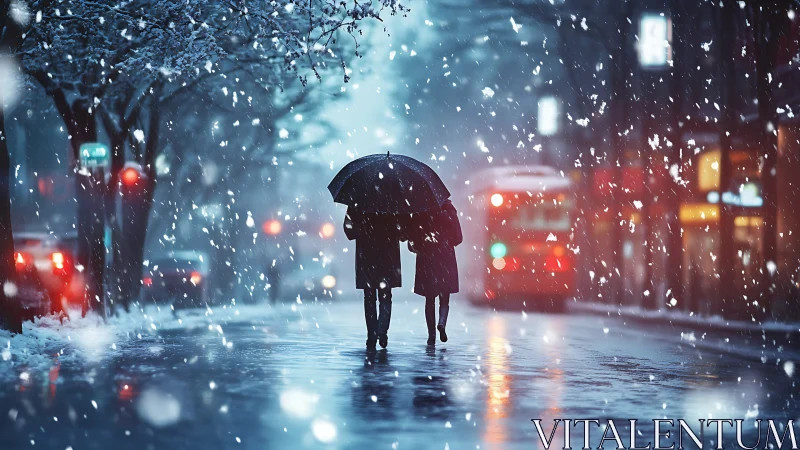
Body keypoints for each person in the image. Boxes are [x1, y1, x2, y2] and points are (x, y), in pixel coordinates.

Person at [344, 206, 406, 350]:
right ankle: (382, 330)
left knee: (369, 297)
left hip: (366, 256)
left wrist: (363, 231)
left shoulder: (358, 202)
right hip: (388, 257)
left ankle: (372, 334)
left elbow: (349, 231)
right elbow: (403, 233)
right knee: (385, 297)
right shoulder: (393, 200)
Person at [408, 200, 462, 345]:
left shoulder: (420, 212)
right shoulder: (449, 212)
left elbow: (412, 240)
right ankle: (442, 322)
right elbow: (458, 238)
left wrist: (420, 245)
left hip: (427, 258)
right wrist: (446, 242)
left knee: (429, 299)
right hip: (446, 258)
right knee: (445, 297)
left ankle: (431, 335)